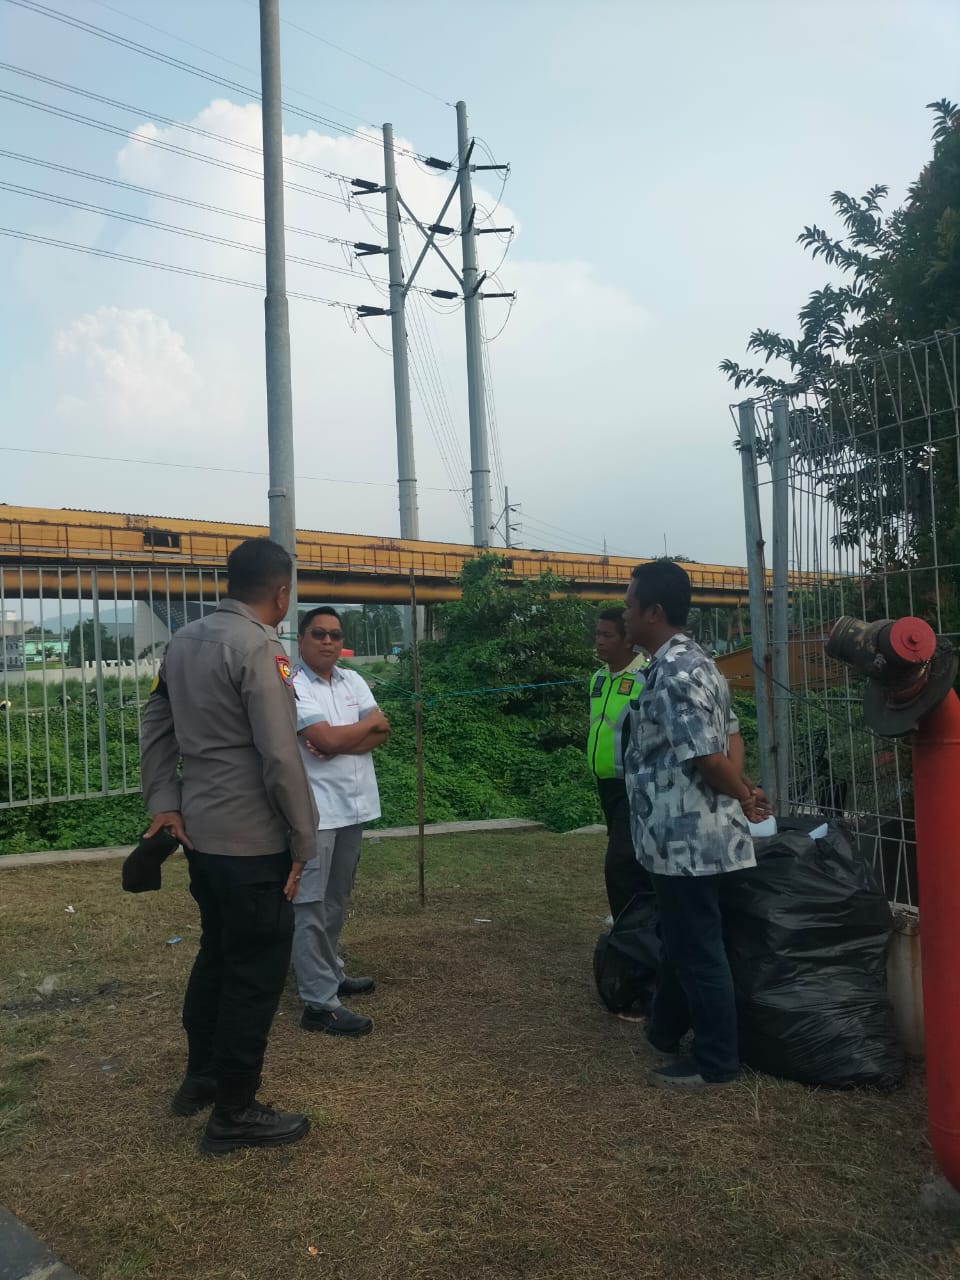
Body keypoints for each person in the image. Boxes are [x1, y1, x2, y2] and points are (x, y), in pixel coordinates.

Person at [139, 538, 318, 1154]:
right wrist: (303, 838)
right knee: (255, 972)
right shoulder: (260, 647)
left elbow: (155, 721)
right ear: (281, 593)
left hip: (202, 834)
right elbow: (280, 755)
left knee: (217, 953)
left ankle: (202, 1079)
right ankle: (234, 1113)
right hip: (253, 839)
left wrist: (164, 801)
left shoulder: (183, 641)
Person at [622, 560, 763, 1090]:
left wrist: (743, 793)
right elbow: (730, 737)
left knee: (698, 949)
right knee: (684, 940)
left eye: (630, 605)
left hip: (687, 842)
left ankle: (716, 1062)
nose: (625, 614)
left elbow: (708, 757)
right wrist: (742, 786)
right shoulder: (696, 663)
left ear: (654, 612)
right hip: (685, 838)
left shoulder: (677, 673)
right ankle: (664, 1031)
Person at [291, 607, 391, 1038]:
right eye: (318, 634)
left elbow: (382, 730)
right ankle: (318, 1002)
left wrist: (336, 742)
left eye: (335, 634)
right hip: (315, 811)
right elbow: (324, 737)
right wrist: (355, 732)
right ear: (301, 640)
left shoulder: (353, 680)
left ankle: (329, 972)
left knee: (336, 898)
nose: (328, 641)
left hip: (354, 806)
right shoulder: (292, 685)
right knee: (310, 903)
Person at [588, 607, 651, 919]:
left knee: (620, 862)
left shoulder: (645, 679)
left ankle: (626, 926)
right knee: (629, 858)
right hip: (606, 784)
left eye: (607, 635)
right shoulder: (598, 679)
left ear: (627, 640)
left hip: (635, 785)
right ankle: (636, 921)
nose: (599, 641)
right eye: (598, 634)